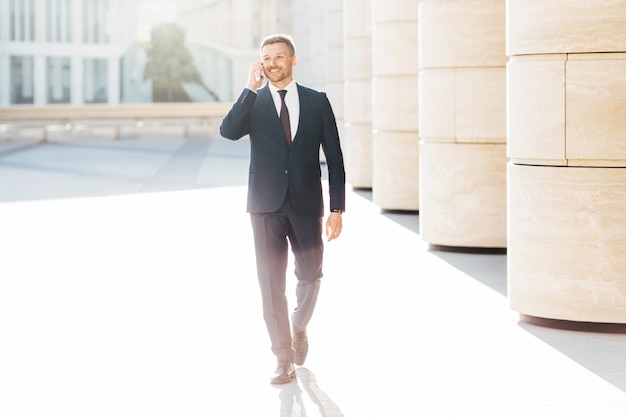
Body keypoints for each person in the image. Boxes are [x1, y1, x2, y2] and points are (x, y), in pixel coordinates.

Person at [220, 34, 346, 385]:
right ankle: (282, 357)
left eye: (279, 56)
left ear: (293, 60)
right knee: (270, 283)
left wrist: (337, 208)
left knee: (310, 276)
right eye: (266, 57)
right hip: (264, 206)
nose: (272, 62)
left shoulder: (317, 101)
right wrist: (248, 89)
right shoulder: (254, 102)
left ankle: (297, 327)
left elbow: (334, 158)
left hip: (307, 203)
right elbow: (228, 132)